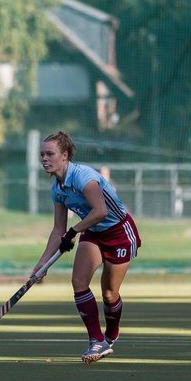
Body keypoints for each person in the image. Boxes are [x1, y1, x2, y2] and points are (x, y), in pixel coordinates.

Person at [32, 131, 141, 363]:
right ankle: (97, 341)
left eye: (49, 154)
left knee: (110, 294)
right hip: (93, 232)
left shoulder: (83, 176)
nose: (44, 158)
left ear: (64, 155)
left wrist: (74, 231)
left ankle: (111, 334)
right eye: (41, 154)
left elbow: (100, 211)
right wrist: (42, 264)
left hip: (119, 232)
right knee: (79, 282)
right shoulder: (57, 189)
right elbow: (57, 230)